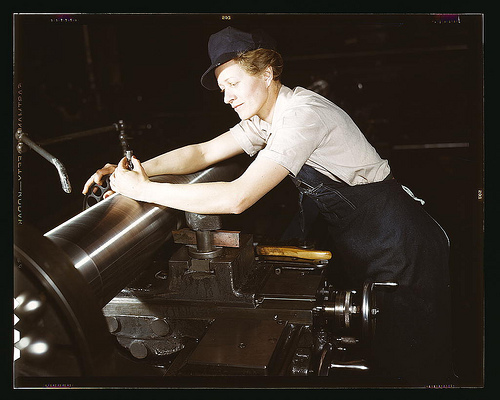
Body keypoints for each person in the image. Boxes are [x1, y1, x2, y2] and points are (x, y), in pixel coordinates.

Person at [82, 26, 453, 385]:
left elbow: (237, 197)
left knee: (413, 367)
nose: (226, 97)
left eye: (233, 83)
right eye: (222, 88)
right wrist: (136, 168)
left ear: (267, 73)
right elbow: (204, 151)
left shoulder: (303, 115)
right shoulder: (265, 120)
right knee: (383, 351)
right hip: (366, 240)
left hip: (401, 245)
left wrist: (144, 190)